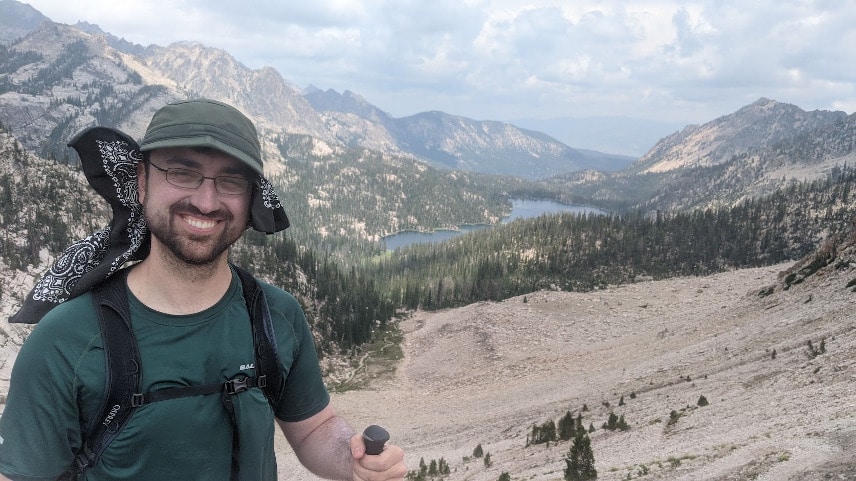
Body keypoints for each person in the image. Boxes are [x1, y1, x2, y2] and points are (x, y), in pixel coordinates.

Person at [0, 99, 406, 480]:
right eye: (182, 172)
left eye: (231, 181)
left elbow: (315, 428)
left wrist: (353, 461)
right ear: (141, 182)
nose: (207, 201)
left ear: (251, 201)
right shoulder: (65, 340)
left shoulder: (275, 315)